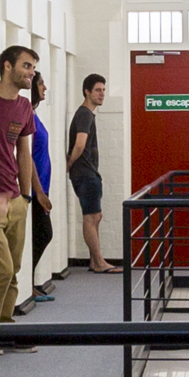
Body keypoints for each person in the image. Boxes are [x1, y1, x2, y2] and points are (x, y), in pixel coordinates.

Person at [0, 44, 43, 320]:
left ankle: (4, 326)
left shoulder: (24, 106)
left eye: (33, 68)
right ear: (7, 66)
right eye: (27, 66)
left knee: (12, 270)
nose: (32, 73)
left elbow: (23, 153)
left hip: (16, 201)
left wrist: (26, 198)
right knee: (1, 269)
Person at [66, 72, 111, 268]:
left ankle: (95, 260)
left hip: (89, 172)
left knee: (96, 216)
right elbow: (79, 144)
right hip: (85, 173)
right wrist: (70, 162)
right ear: (87, 92)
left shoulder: (87, 114)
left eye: (103, 90)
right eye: (98, 90)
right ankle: (99, 262)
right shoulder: (84, 114)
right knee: (91, 217)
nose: (102, 94)